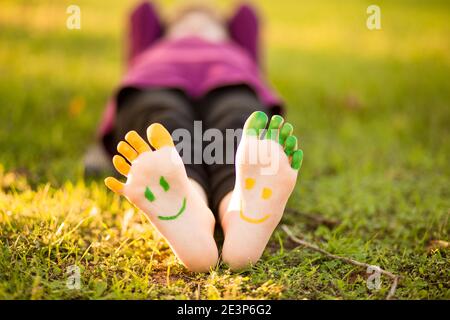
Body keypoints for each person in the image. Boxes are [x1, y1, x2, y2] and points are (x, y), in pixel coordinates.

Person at [89, 1, 303, 271]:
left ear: (228, 32)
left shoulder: (236, 52)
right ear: (164, 31)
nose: (196, 26)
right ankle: (189, 203)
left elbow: (247, 15)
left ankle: (239, 211)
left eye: (208, 25)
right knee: (162, 124)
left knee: (238, 125)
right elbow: (142, 13)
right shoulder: (153, 51)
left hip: (230, 82)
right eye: (185, 24)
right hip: (157, 82)